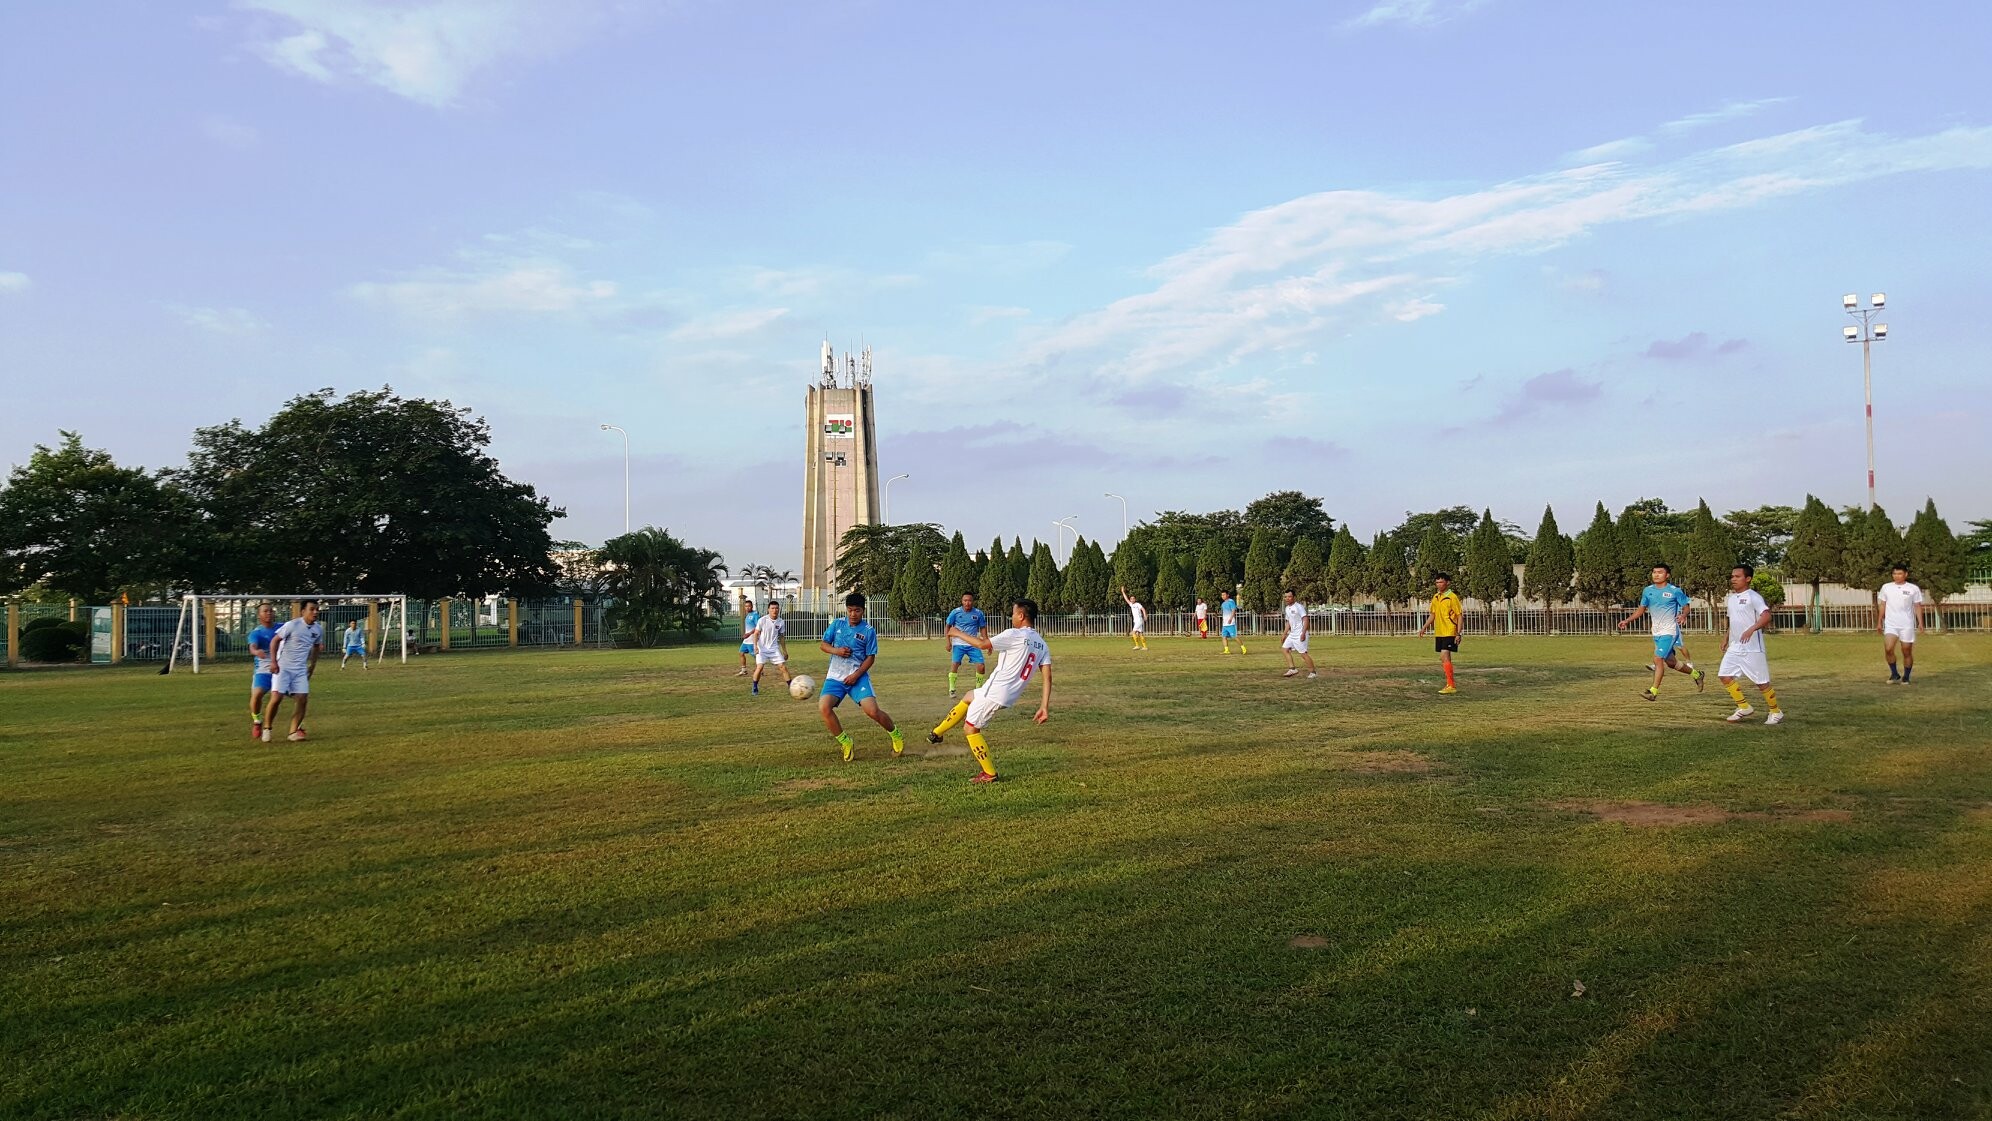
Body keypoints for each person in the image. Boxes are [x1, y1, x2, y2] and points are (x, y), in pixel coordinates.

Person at [929, 597, 1052, 784]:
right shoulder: (1041, 643)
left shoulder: (1015, 634)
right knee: (969, 696)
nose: (1012, 617)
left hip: (996, 691)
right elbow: (1047, 676)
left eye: (1013, 613)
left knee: (970, 729)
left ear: (1021, 615)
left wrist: (956, 632)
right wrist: (1044, 706)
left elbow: (981, 644)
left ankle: (989, 773)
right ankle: (937, 734)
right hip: (1007, 693)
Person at [820, 592, 903, 761]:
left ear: (863, 611)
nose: (853, 614)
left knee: (872, 711)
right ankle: (845, 742)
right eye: (850, 610)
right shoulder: (837, 624)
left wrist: (856, 675)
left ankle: (895, 734)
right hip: (835, 677)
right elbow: (823, 645)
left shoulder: (868, 631)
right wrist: (837, 651)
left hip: (858, 677)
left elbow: (870, 657)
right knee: (824, 708)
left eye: (857, 610)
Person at [1618, 563, 1705, 701]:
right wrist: (1627, 620)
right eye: (1654, 572)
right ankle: (1696, 675)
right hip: (1656, 631)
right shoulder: (1648, 591)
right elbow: (1641, 609)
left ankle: (1653, 692)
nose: (1656, 574)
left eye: (1660, 572)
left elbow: (1686, 607)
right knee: (1671, 663)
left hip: (1670, 631)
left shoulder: (1675, 591)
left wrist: (1683, 615)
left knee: (1657, 659)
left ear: (1667, 575)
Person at [1718, 564, 1784, 724]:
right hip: (1735, 647)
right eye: (1732, 576)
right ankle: (1744, 707)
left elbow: (1766, 616)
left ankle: (1776, 712)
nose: (1733, 579)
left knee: (1761, 682)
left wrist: (1752, 629)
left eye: (1737, 576)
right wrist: (1726, 638)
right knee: (1724, 676)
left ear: (1748, 579)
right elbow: (1733, 621)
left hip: (1753, 648)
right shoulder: (1732, 598)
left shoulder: (1753, 596)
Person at [262, 600, 324, 743]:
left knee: (302, 699)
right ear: (303, 611)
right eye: (312, 609)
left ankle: (293, 732)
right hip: (283, 667)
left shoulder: (318, 629)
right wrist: (273, 662)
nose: (315, 612)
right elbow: (274, 641)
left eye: (317, 609)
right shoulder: (292, 625)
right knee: (276, 698)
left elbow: (316, 648)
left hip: (300, 669)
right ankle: (267, 728)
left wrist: (312, 666)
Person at [1878, 564, 1929, 684]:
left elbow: (1917, 606)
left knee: (1906, 650)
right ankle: (1894, 674)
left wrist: (1920, 623)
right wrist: (1879, 621)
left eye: (1900, 573)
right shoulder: (1886, 587)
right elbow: (1882, 604)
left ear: (1906, 574)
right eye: (1894, 574)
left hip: (1906, 624)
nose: (1897, 576)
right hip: (1891, 624)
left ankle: (1906, 676)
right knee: (1888, 649)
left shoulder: (1913, 588)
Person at [1417, 573, 1463, 694]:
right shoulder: (1436, 597)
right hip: (1439, 632)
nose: (1439, 585)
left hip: (1450, 631)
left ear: (1448, 583)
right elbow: (1433, 614)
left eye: (1441, 582)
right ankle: (1450, 683)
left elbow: (1459, 616)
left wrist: (1458, 633)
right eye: (1437, 582)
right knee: (1443, 658)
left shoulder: (1452, 597)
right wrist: (1424, 627)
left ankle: (1451, 685)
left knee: (1444, 655)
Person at [944, 592, 988, 698]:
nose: (967, 603)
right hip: (958, 643)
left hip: (973, 643)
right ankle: (952, 689)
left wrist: (986, 641)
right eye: (965, 600)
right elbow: (948, 626)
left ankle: (978, 689)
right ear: (962, 601)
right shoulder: (955, 612)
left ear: (973, 601)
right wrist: (948, 642)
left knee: (981, 666)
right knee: (955, 664)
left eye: (969, 600)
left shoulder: (978, 613)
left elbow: (982, 627)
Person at [247, 604, 277, 741]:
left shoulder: (281, 628)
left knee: (300, 697)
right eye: (265, 611)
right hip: (263, 670)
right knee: (257, 694)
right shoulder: (256, 633)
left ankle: (298, 727)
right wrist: (255, 651)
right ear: (259, 615)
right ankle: (257, 721)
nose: (269, 613)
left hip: (281, 668)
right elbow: (252, 646)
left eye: (271, 610)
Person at [749, 600, 792, 695]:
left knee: (783, 667)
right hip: (762, 648)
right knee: (760, 667)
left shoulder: (781, 622)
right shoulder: (762, 620)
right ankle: (755, 687)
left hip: (774, 648)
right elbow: (756, 633)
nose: (774, 610)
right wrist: (755, 646)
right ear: (768, 609)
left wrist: (785, 651)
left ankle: (791, 687)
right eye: (772, 608)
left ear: (779, 609)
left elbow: (781, 637)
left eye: (776, 608)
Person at [1279, 591, 1317, 679]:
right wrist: (1284, 634)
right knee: (1285, 649)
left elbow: (1306, 619)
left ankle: (1313, 672)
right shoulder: (1287, 608)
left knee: (1303, 654)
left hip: (1300, 634)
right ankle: (1292, 669)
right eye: (1285, 597)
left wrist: (1303, 633)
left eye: (1289, 597)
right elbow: (1289, 622)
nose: (1287, 599)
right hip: (1292, 634)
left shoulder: (1299, 607)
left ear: (1294, 597)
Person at [737, 598, 759, 677]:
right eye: (746, 606)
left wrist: (749, 633)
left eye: (749, 606)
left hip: (752, 639)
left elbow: (758, 627)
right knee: (741, 653)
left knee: (755, 655)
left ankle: (760, 668)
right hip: (746, 640)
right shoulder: (748, 615)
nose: (747, 608)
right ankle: (744, 670)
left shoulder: (755, 615)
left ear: (752, 606)